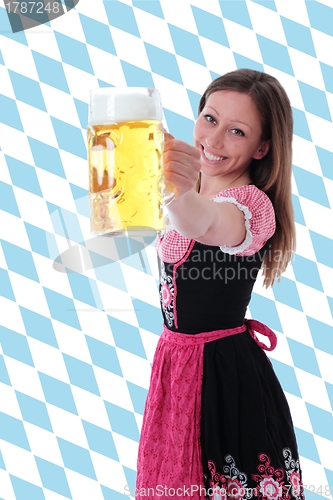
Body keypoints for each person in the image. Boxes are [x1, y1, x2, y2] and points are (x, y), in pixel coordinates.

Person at [135, 69, 304, 500]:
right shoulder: (194, 184)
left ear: (262, 147)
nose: (213, 140)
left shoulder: (250, 205)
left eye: (237, 131)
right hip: (176, 362)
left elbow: (206, 222)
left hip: (221, 376)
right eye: (210, 119)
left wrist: (174, 189)